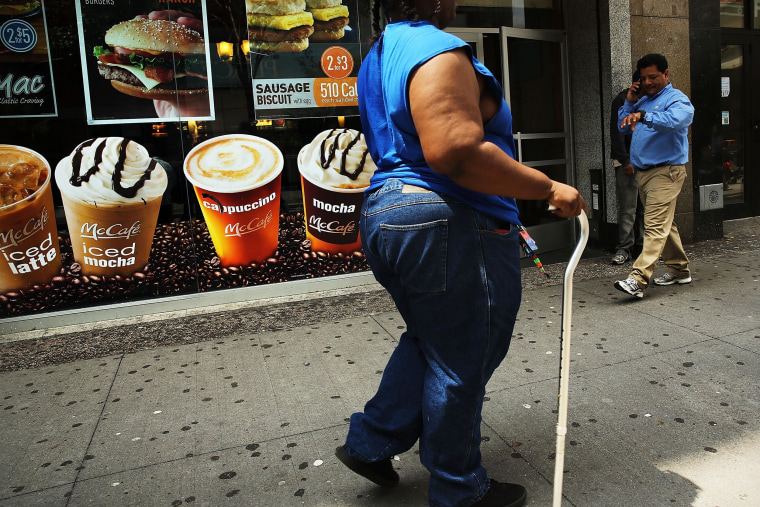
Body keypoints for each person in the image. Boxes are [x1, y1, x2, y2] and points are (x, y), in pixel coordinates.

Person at [334, 1, 586, 506]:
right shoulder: (436, 48)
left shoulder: (381, 55)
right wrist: (548, 186)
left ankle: (372, 441)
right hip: (449, 217)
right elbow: (455, 151)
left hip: (392, 213)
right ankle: (459, 489)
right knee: (463, 354)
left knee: (432, 339)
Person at [614, 53, 694, 299]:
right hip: (645, 172)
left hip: (667, 171)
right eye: (643, 78)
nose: (648, 82)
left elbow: (678, 120)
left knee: (654, 224)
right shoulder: (642, 101)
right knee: (664, 224)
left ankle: (638, 279)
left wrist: (644, 116)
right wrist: (629, 104)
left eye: (653, 77)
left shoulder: (676, 99)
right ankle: (680, 270)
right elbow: (623, 126)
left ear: (666, 74)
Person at [609, 72, 644, 265]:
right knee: (629, 207)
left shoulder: (651, 101)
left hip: (647, 161)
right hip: (628, 160)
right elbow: (617, 133)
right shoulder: (622, 100)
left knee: (646, 208)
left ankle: (644, 246)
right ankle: (624, 248)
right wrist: (625, 161)